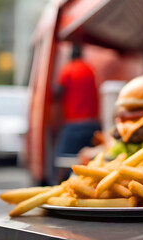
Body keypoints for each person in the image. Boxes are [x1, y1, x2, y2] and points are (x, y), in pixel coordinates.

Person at [50, 44, 101, 184]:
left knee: (61, 161)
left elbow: (58, 92)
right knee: (92, 163)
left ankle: (57, 189)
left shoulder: (68, 69)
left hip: (74, 124)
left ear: (70, 56)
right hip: (92, 123)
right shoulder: (89, 69)